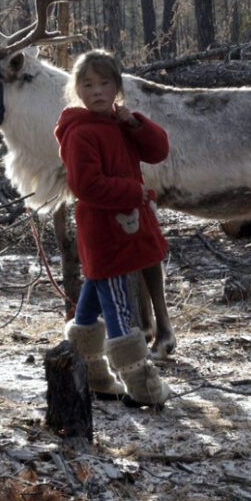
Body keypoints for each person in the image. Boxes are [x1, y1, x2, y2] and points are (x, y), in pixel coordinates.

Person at [54, 49, 171, 409]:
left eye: (105, 83)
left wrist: (134, 121)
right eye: (88, 85)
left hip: (124, 229)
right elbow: (86, 186)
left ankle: (90, 373)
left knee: (91, 297)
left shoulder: (119, 123)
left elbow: (158, 150)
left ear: (117, 87)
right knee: (120, 306)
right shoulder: (80, 133)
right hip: (107, 233)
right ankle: (143, 386)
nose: (98, 91)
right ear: (77, 91)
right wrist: (134, 192)